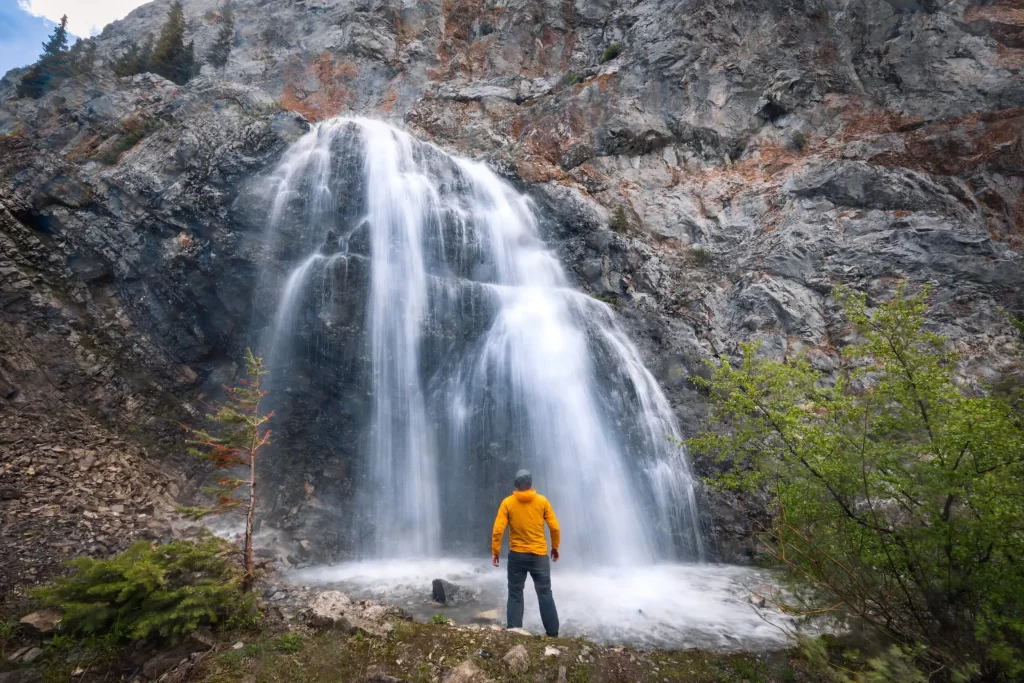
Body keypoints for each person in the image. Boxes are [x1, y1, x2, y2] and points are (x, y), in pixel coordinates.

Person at [491, 468, 560, 637]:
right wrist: (555, 547)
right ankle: (553, 633)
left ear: (515, 485)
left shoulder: (508, 503)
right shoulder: (542, 501)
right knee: (545, 593)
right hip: (539, 557)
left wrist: (495, 551)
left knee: (515, 592)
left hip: (517, 557)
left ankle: (514, 632)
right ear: (531, 485)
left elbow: (498, 530)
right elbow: (554, 527)